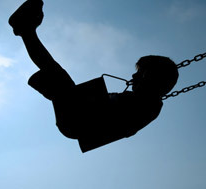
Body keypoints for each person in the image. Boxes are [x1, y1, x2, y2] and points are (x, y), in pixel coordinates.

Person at [9, 0, 179, 152]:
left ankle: (27, 31)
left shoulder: (150, 104)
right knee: (56, 75)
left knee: (57, 75)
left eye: (141, 72)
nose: (134, 75)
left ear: (152, 77)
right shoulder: (143, 101)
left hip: (82, 122)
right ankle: (27, 32)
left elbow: (125, 123)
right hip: (84, 118)